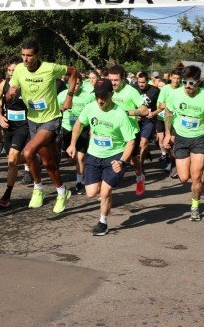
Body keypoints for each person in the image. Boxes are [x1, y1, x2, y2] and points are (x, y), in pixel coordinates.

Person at [6, 39, 77, 212]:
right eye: (23, 55)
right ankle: (62, 191)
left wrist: (69, 96)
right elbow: (9, 97)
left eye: (29, 55)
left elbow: (74, 72)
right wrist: (10, 94)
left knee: (28, 151)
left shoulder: (50, 68)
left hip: (51, 119)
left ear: (38, 55)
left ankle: (38, 189)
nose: (25, 59)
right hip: (33, 120)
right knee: (48, 162)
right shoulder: (19, 70)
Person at [68, 78, 137, 236]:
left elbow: (131, 142)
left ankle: (103, 222)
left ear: (111, 94)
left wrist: (122, 161)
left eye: (104, 96)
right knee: (92, 193)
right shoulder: (90, 107)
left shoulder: (120, 114)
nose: (100, 100)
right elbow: (79, 124)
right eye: (97, 96)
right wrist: (72, 144)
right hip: (94, 154)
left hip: (114, 156)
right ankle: (106, 190)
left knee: (105, 192)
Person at [163, 65, 204, 222]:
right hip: (180, 137)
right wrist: (168, 134)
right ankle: (190, 178)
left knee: (196, 176)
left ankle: (195, 207)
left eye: (191, 83)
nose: (187, 86)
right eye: (184, 82)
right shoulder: (174, 94)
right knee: (183, 178)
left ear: (199, 82)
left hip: (199, 138)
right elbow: (168, 113)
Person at [0, 56, 30, 208]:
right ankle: (32, 160)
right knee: (12, 161)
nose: (11, 73)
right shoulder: (4, 83)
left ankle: (7, 195)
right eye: (9, 70)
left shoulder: (27, 83)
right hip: (8, 126)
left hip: (24, 125)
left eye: (14, 71)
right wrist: (0, 117)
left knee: (12, 158)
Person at [107, 65, 149, 196]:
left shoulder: (131, 91)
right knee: (111, 157)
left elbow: (144, 110)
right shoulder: (108, 90)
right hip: (113, 131)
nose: (113, 83)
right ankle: (107, 188)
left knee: (133, 159)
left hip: (130, 131)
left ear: (123, 79)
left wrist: (127, 113)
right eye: (111, 80)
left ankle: (140, 178)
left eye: (116, 80)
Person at [58, 74, 95, 195]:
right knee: (72, 157)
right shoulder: (63, 95)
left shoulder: (88, 96)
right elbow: (56, 109)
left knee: (80, 158)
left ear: (81, 83)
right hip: (66, 128)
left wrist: (92, 129)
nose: (74, 86)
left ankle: (79, 182)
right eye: (72, 84)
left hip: (82, 129)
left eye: (77, 83)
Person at [134, 71, 160, 178]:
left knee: (143, 143)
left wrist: (153, 113)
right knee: (135, 144)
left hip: (149, 120)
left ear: (147, 81)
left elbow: (162, 105)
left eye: (143, 82)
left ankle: (141, 165)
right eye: (139, 82)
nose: (141, 84)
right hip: (136, 120)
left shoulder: (155, 90)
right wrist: (135, 115)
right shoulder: (133, 90)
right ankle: (137, 160)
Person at [156, 69, 181, 176]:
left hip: (176, 120)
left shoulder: (182, 89)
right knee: (162, 140)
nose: (176, 80)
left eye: (178, 78)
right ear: (170, 77)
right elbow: (160, 104)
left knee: (171, 141)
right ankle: (169, 158)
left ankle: (174, 163)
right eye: (174, 78)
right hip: (163, 117)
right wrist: (166, 106)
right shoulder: (165, 88)